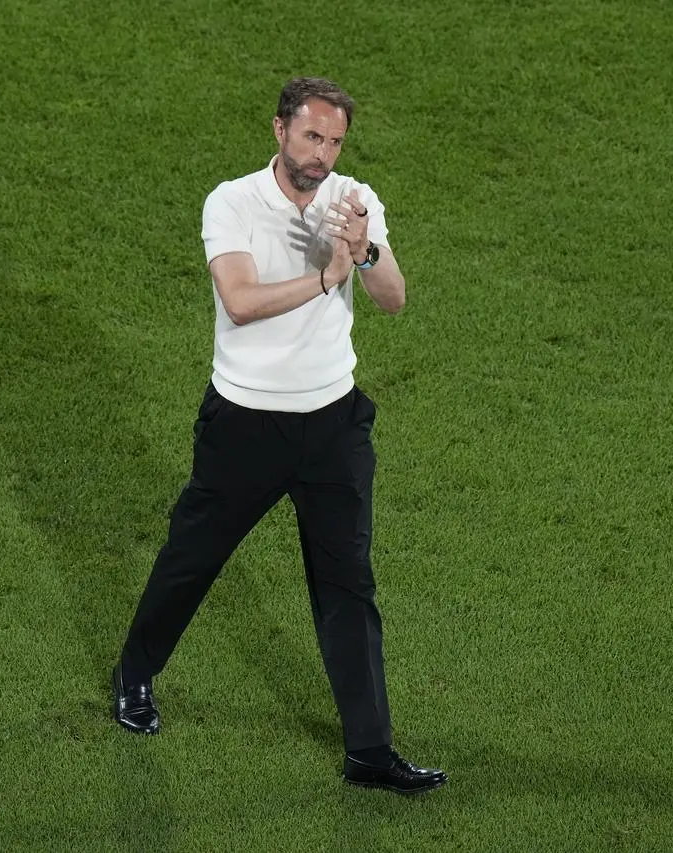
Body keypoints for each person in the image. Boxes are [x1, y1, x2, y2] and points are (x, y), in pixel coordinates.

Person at [110, 77, 446, 795]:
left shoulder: (353, 198)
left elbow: (394, 299)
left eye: (334, 141)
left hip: (332, 424)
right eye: (311, 137)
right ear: (279, 131)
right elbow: (238, 301)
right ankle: (134, 673)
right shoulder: (232, 202)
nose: (322, 155)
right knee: (190, 560)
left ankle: (370, 751)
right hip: (245, 425)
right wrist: (326, 276)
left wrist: (363, 253)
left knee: (347, 585)